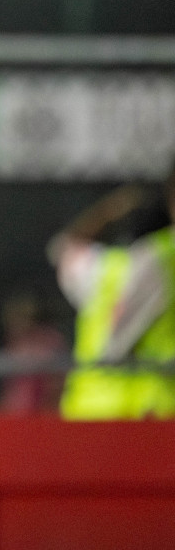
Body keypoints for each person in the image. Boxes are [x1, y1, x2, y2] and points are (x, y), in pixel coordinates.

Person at [50, 173, 175, 420]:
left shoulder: (98, 269)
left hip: (86, 409)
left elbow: (62, 247)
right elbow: (118, 344)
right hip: (148, 410)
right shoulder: (161, 259)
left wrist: (108, 211)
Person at [0, 291, 66, 414]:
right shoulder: (13, 344)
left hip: (41, 419)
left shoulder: (48, 341)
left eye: (20, 315)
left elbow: (57, 385)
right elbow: (9, 392)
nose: (14, 321)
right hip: (14, 419)